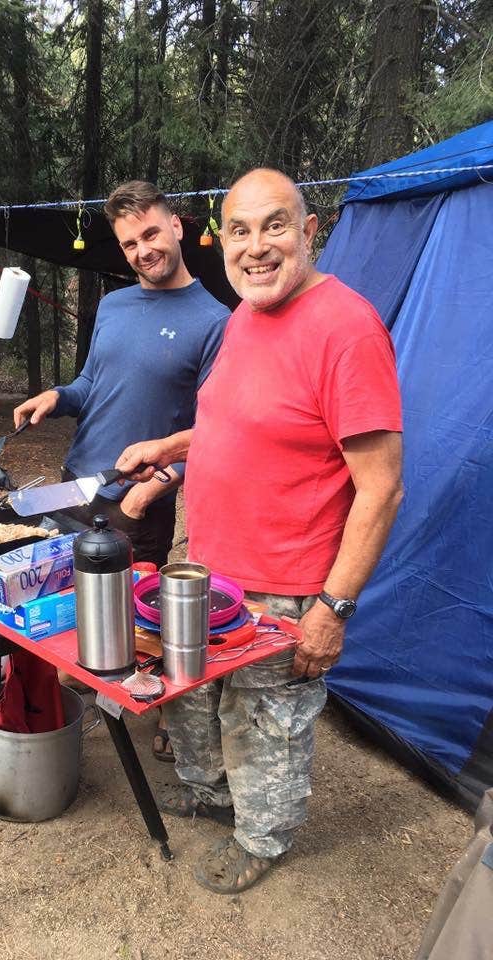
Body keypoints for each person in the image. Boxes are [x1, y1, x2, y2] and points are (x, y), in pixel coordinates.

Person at [115, 168, 404, 893]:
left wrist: (332, 609)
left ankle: (262, 836)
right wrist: (171, 449)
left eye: (274, 225)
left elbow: (382, 487)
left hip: (286, 586)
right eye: (240, 231)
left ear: (309, 231)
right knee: (196, 696)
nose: (256, 247)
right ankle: (211, 793)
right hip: (211, 567)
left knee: (265, 719)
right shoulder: (245, 316)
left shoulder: (346, 328)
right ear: (221, 242)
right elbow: (239, 424)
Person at [13, 180, 230, 759]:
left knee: (140, 623)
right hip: (76, 482)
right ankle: (82, 693)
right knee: (70, 602)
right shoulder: (113, 305)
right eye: (130, 243)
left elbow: (214, 431)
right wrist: (56, 396)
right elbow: (91, 384)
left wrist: (157, 487)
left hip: (138, 501)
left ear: (177, 227)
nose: (143, 250)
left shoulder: (215, 321)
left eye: (151, 234)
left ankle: (164, 713)